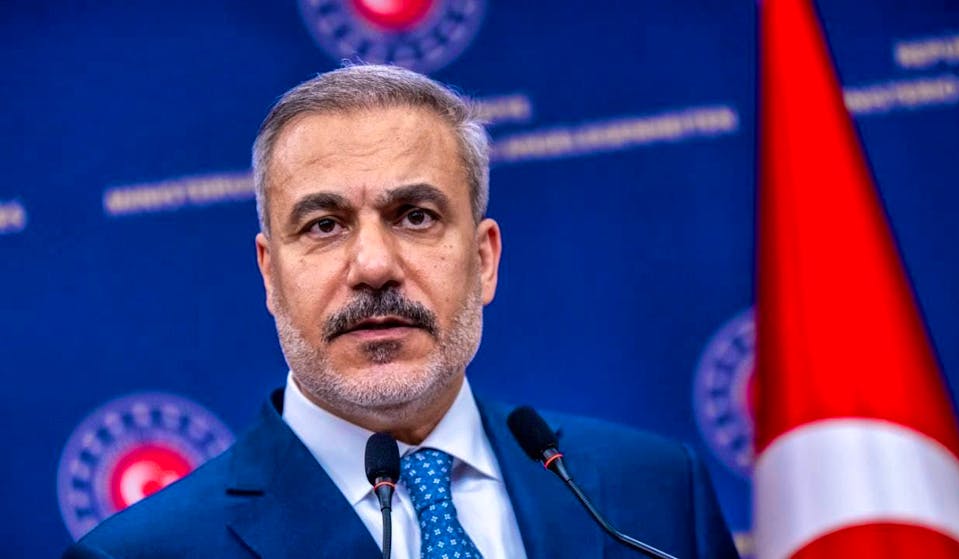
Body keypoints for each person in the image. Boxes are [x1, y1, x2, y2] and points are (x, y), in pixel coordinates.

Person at [64, 64, 739, 559]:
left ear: (484, 259)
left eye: (415, 215)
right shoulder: (142, 554)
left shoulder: (653, 491)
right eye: (324, 225)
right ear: (270, 274)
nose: (374, 266)